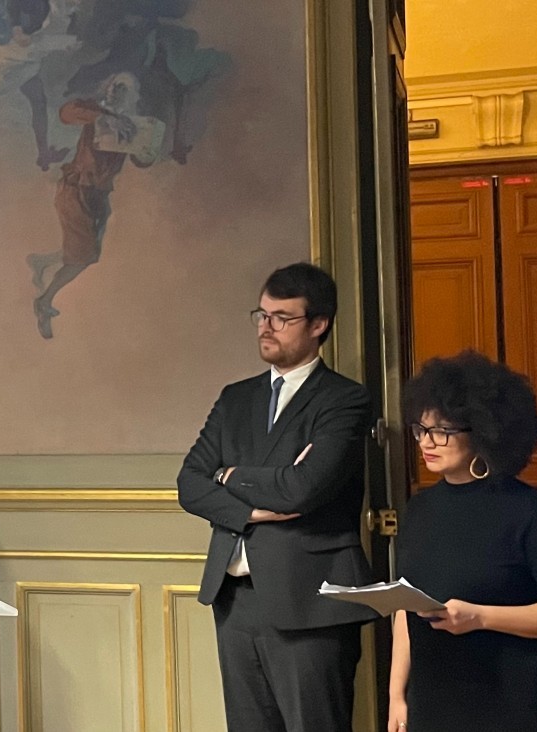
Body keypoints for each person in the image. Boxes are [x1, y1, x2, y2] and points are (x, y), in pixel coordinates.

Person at [176, 262, 377, 731]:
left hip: (311, 599)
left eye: (282, 318)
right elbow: (190, 482)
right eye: (262, 315)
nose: (266, 328)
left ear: (319, 324)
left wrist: (227, 474)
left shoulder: (345, 400)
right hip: (235, 599)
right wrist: (252, 502)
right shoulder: (235, 398)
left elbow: (302, 488)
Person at [389, 352, 537, 731]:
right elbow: (405, 607)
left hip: (511, 703)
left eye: (442, 431)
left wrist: (480, 617)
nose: (427, 442)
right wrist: (397, 694)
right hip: (432, 700)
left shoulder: (531, 514)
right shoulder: (420, 509)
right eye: (420, 429)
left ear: (483, 432)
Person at [27, 72, 153, 339]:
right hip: (76, 191)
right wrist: (106, 117)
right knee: (82, 256)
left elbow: (142, 158)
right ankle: (44, 302)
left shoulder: (132, 124)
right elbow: (67, 113)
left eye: (122, 89)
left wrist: (144, 153)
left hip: (98, 195)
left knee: (87, 250)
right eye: (112, 86)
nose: (114, 92)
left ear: (131, 96)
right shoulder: (95, 112)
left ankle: (41, 262)